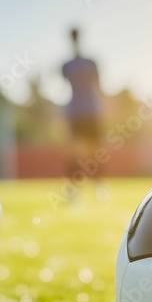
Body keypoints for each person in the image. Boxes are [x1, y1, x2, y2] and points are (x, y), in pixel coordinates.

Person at [61, 27, 103, 187]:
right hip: (76, 113)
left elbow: (98, 86)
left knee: (95, 151)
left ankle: (98, 184)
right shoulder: (67, 65)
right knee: (75, 152)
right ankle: (74, 186)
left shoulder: (90, 63)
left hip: (89, 112)